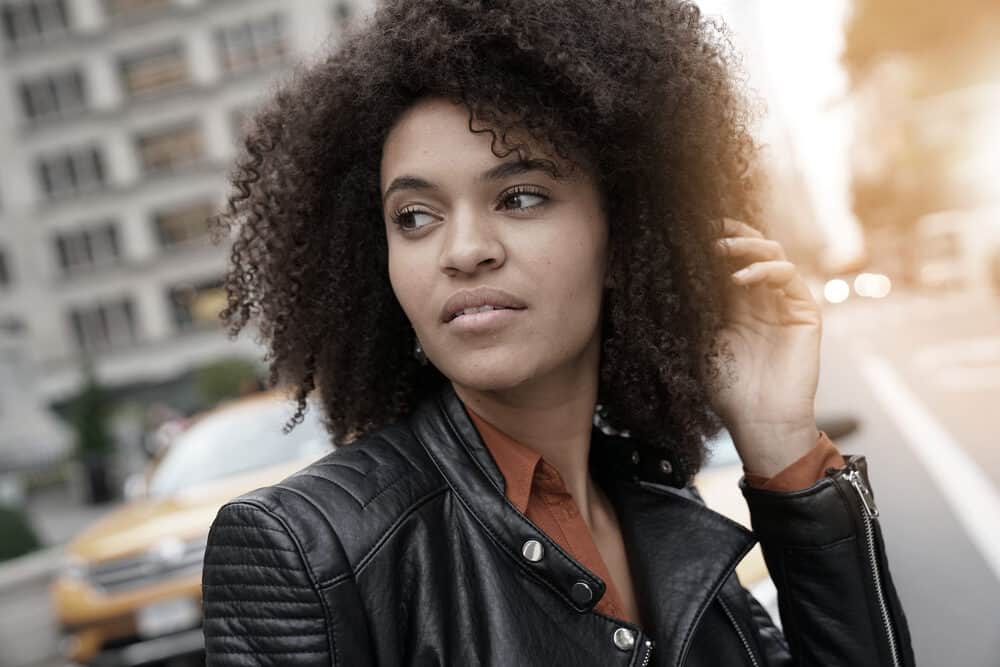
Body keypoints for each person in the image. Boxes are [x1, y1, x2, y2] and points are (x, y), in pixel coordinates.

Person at [201, 1, 915, 665]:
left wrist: (780, 443)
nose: (463, 249)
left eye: (519, 197)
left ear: (625, 234)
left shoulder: (661, 509)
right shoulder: (308, 548)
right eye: (415, 216)